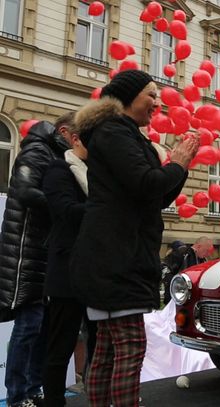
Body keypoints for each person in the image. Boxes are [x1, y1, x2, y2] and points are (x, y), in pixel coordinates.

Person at [70, 69, 199, 406]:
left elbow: (154, 198)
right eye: (151, 94)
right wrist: (179, 164)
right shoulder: (114, 132)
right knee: (128, 348)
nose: (157, 102)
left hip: (114, 254)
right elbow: (146, 184)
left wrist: (179, 168)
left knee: (109, 351)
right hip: (117, 256)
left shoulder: (121, 133)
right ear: (129, 97)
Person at [0, 118, 70, 407]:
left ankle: (32, 387)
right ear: (64, 132)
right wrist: (62, 204)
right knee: (29, 326)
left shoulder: (52, 154)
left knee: (39, 326)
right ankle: (17, 395)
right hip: (24, 250)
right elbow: (27, 192)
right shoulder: (36, 151)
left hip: (40, 251)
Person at [41, 112, 96, 406]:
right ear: (74, 137)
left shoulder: (98, 171)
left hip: (96, 272)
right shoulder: (58, 170)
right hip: (66, 273)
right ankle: (53, 401)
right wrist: (107, 209)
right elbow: (66, 210)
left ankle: (98, 395)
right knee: (60, 346)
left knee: (99, 343)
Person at [161, 237, 214, 304]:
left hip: (192, 298)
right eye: (206, 251)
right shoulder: (183, 253)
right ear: (199, 246)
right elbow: (165, 268)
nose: (208, 254)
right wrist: (177, 284)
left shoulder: (203, 260)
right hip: (177, 297)